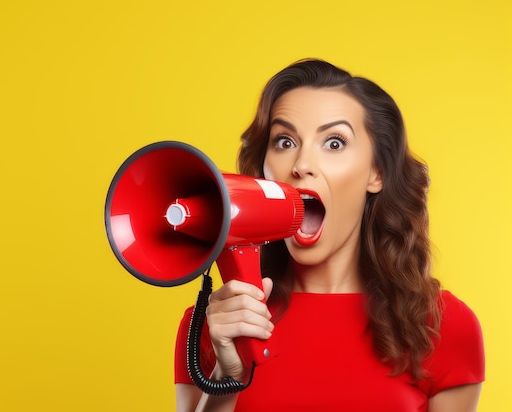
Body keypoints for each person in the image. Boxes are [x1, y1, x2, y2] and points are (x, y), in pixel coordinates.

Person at [174, 59, 485, 412]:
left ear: (376, 173)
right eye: (284, 141)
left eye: (334, 143)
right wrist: (226, 378)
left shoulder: (442, 325)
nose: (301, 164)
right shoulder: (215, 324)